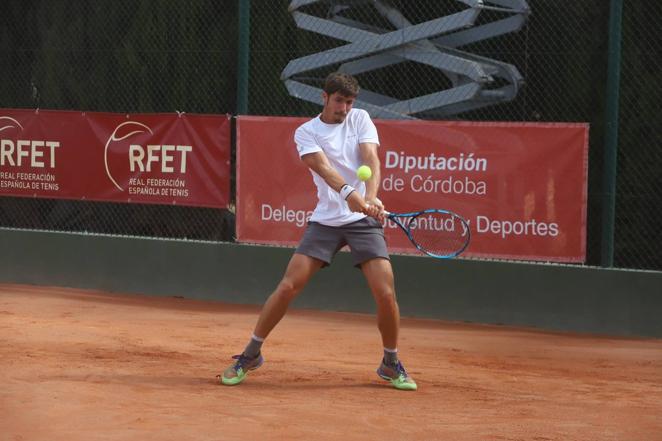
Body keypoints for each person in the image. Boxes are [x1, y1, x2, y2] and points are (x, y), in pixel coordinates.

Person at [220, 72, 417, 391]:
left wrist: (369, 197)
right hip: (326, 219)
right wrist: (350, 196)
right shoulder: (307, 132)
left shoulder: (361, 119)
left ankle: (390, 363)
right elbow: (325, 169)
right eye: (339, 101)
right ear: (324, 97)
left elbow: (371, 159)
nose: (344, 108)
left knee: (385, 291)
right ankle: (251, 354)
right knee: (288, 286)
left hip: (361, 220)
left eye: (349, 102)